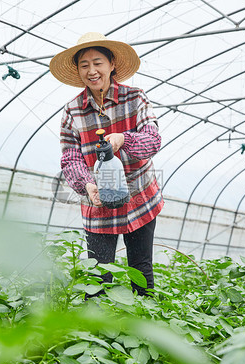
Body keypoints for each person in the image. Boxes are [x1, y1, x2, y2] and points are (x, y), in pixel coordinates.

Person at [50, 32, 164, 296]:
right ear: (78, 70)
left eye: (97, 62)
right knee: (99, 276)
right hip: (98, 201)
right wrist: (87, 185)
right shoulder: (73, 111)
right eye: (84, 65)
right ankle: (99, 331)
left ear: (112, 64)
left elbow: (153, 140)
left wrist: (123, 138)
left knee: (141, 268)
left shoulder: (135, 98)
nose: (92, 70)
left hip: (139, 198)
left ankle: (144, 322)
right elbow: (71, 157)